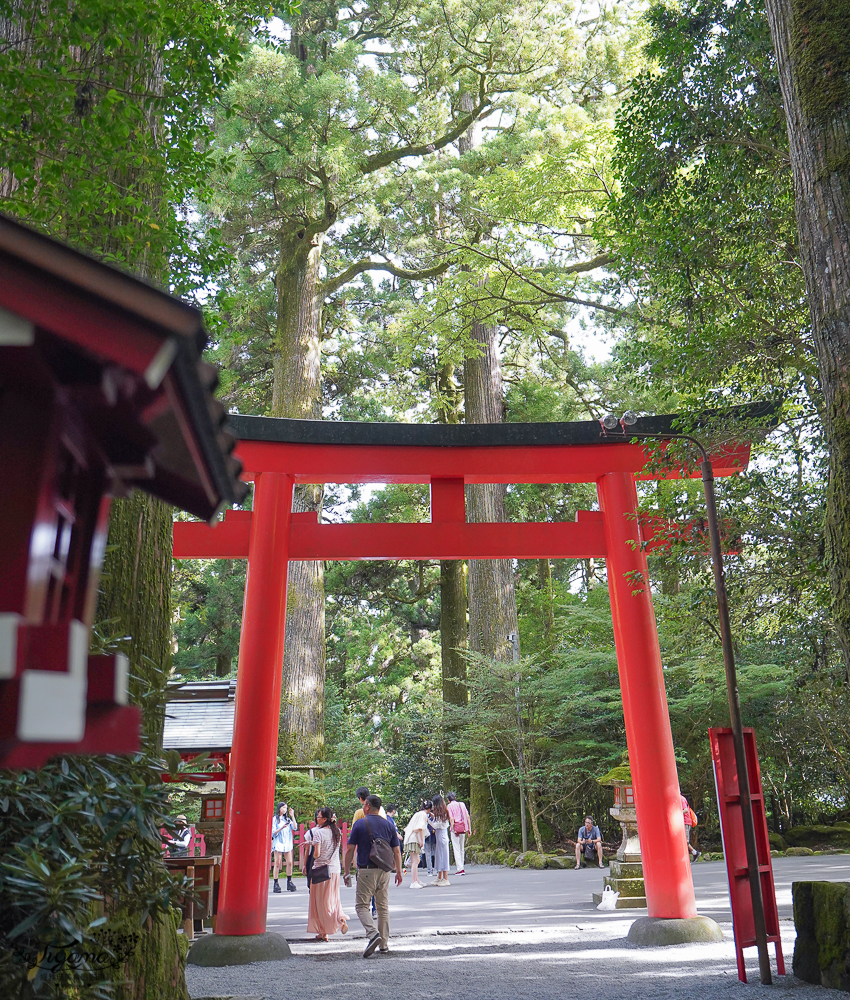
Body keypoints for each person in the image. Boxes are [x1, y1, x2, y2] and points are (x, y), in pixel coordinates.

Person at [343, 794, 403, 957]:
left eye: (364, 805)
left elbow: (350, 849)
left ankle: (372, 933)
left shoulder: (360, 824)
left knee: (362, 906)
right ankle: (384, 944)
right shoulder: (388, 824)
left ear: (368, 806)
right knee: (382, 907)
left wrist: (347, 870)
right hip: (384, 870)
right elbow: (396, 851)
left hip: (366, 869)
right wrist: (398, 871)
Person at [304, 806, 349, 941]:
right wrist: (312, 842)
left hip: (321, 871)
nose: (316, 819)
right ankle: (333, 923)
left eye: (318, 817)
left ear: (324, 819)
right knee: (333, 899)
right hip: (334, 870)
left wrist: (312, 845)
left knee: (321, 903)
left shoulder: (319, 833)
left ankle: (331, 927)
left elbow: (317, 855)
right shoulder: (337, 832)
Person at [402, 801, 431, 888]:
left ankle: (417, 880)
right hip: (414, 839)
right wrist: (420, 841)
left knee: (416, 860)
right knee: (415, 861)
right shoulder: (423, 815)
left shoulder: (418, 814)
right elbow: (418, 828)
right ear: (429, 809)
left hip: (410, 838)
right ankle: (414, 882)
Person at [272, 801, 298, 893]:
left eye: (286, 808)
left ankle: (289, 881)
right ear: (279, 808)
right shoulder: (275, 819)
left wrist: (292, 816)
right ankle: (275, 882)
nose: (285, 810)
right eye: (283, 808)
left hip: (287, 843)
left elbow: (295, 827)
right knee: (277, 863)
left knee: (290, 862)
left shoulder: (287, 819)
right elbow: (273, 832)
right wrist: (282, 827)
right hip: (278, 842)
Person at [446, 791, 471, 875]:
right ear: (455, 798)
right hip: (463, 828)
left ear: (448, 800)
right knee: (461, 848)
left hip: (455, 829)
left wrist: (453, 828)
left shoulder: (449, 806)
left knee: (456, 848)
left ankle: (460, 869)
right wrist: (469, 828)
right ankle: (462, 866)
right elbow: (467, 816)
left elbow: (451, 818)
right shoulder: (462, 804)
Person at [430, 794, 451, 886]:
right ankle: (439, 877)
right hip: (440, 837)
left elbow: (436, 825)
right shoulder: (441, 813)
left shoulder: (443, 813)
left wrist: (428, 820)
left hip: (442, 836)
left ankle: (445, 879)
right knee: (439, 856)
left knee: (444, 857)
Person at [681, 794, 702, 862]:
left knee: (684, 841)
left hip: (685, 821)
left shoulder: (681, 799)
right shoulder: (680, 798)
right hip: (683, 821)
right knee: (683, 839)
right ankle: (694, 852)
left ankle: (685, 858)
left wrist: (677, 813)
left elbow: (686, 810)